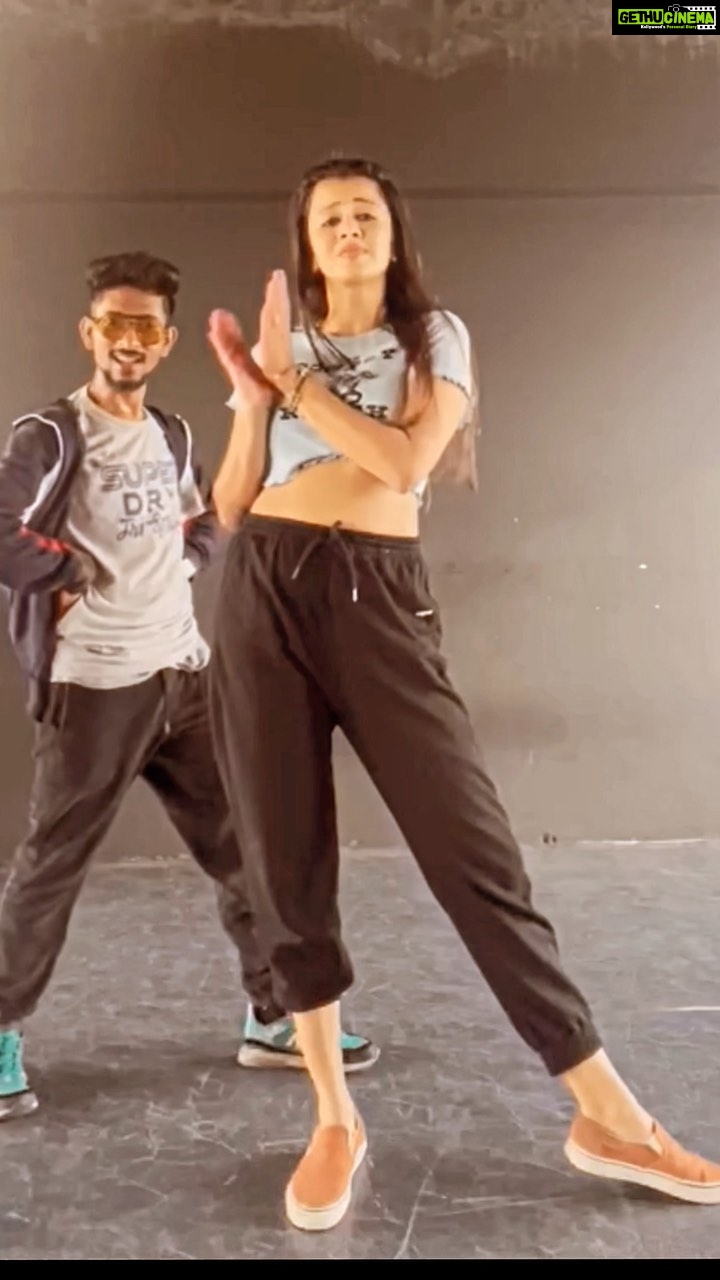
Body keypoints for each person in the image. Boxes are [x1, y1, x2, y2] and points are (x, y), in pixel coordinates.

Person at [206, 156, 720, 1232]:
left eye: (366, 213)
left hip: (377, 597)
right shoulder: (284, 350)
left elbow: (404, 462)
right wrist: (255, 399)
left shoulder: (434, 337)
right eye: (330, 218)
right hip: (262, 592)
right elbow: (232, 502)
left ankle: (606, 1112)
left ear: (393, 237)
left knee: (475, 854)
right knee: (284, 856)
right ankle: (333, 1116)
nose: (350, 227)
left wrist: (296, 386)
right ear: (309, 246)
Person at [0, 251, 378, 1124]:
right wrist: (67, 572)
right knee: (53, 866)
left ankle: (273, 1016)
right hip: (97, 685)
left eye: (146, 326)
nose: (129, 340)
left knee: (248, 846)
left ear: (166, 341)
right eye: (114, 323)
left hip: (183, 675)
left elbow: (204, 517)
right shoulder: (50, 434)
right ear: (89, 332)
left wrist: (185, 557)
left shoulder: (169, 433)